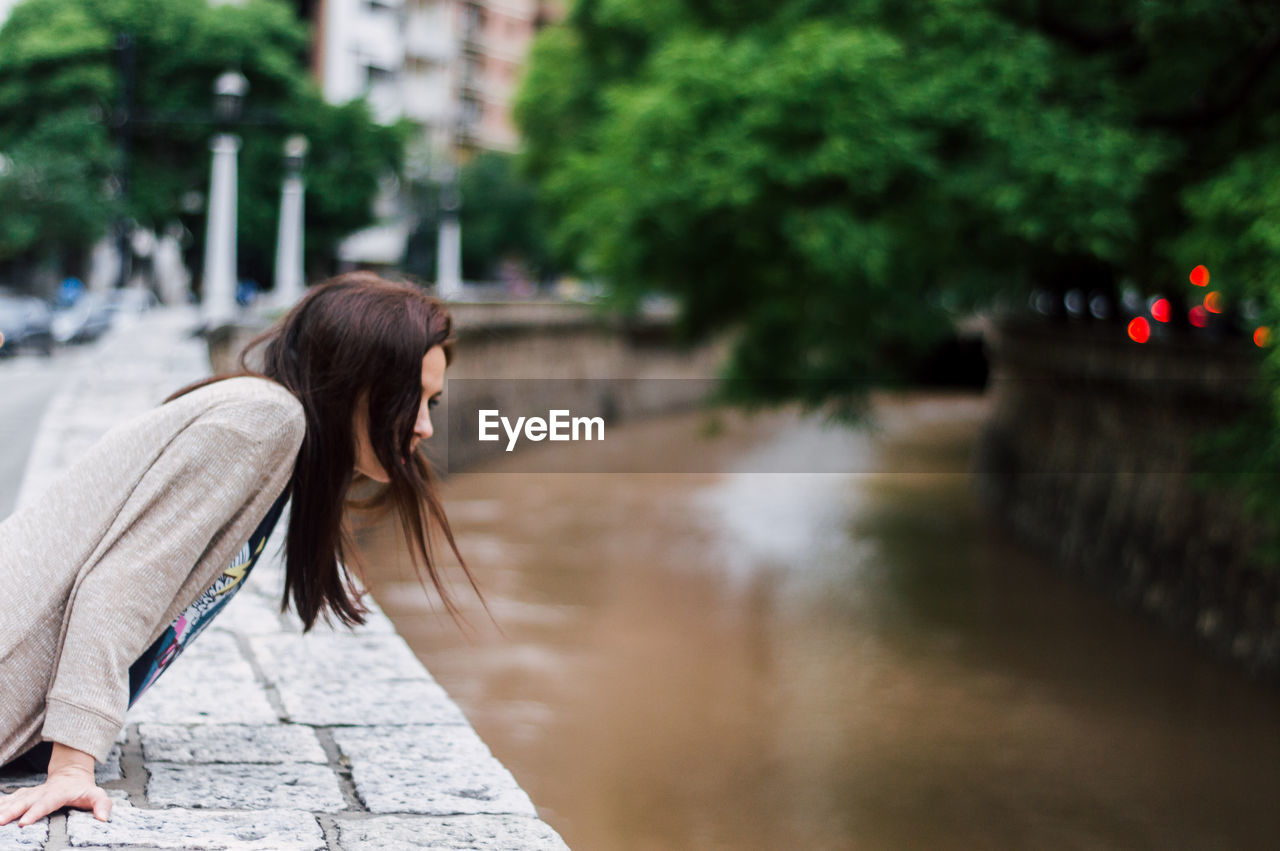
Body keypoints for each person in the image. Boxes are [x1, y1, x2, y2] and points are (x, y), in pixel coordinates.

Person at [0, 271, 476, 828]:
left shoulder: (265, 419)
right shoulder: (263, 421)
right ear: (357, 381)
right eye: (410, 399)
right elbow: (117, 587)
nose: (422, 426)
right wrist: (72, 770)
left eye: (432, 404)